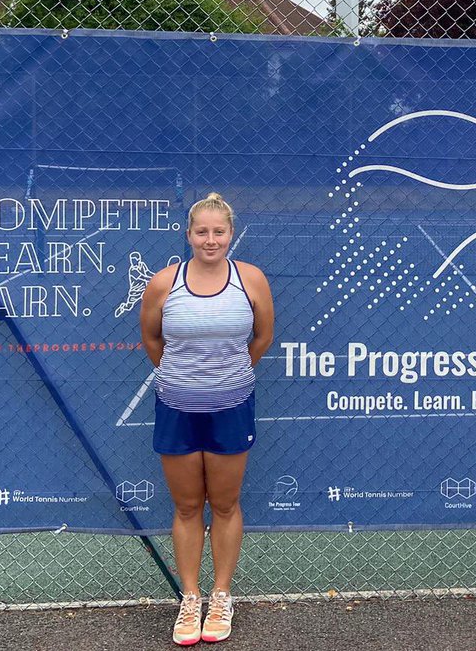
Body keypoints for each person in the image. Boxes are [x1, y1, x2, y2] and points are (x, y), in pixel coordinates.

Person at [140, 192, 274, 645]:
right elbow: (153, 340)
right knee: (186, 507)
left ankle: (221, 595)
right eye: (202, 232)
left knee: (224, 505)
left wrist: (228, 376)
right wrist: (185, 379)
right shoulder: (163, 283)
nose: (211, 240)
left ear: (231, 235)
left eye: (219, 232)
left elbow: (262, 337)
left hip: (232, 408)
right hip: (176, 409)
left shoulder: (251, 279)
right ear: (189, 234)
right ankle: (191, 597)